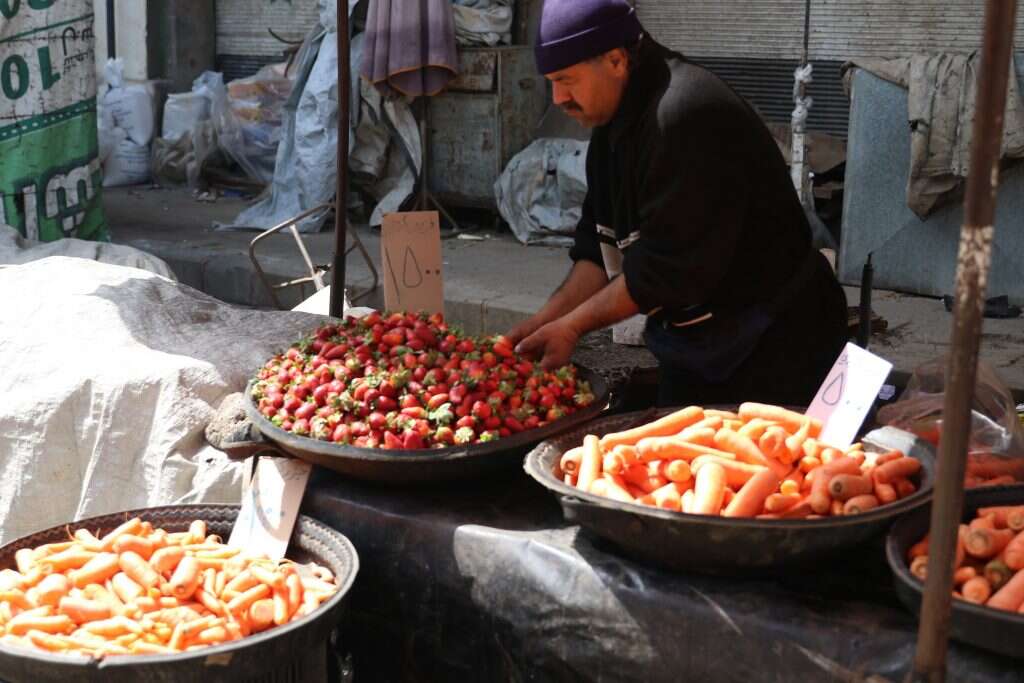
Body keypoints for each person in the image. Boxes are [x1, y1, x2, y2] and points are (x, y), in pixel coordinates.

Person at [507, 0, 849, 407]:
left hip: (777, 339)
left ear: (616, 60)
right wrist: (546, 322)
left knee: (768, 463)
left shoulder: (682, 116)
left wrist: (573, 326)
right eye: (550, 81)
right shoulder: (609, 132)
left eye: (566, 80)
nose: (558, 98)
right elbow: (598, 251)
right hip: (695, 345)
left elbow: (661, 270)